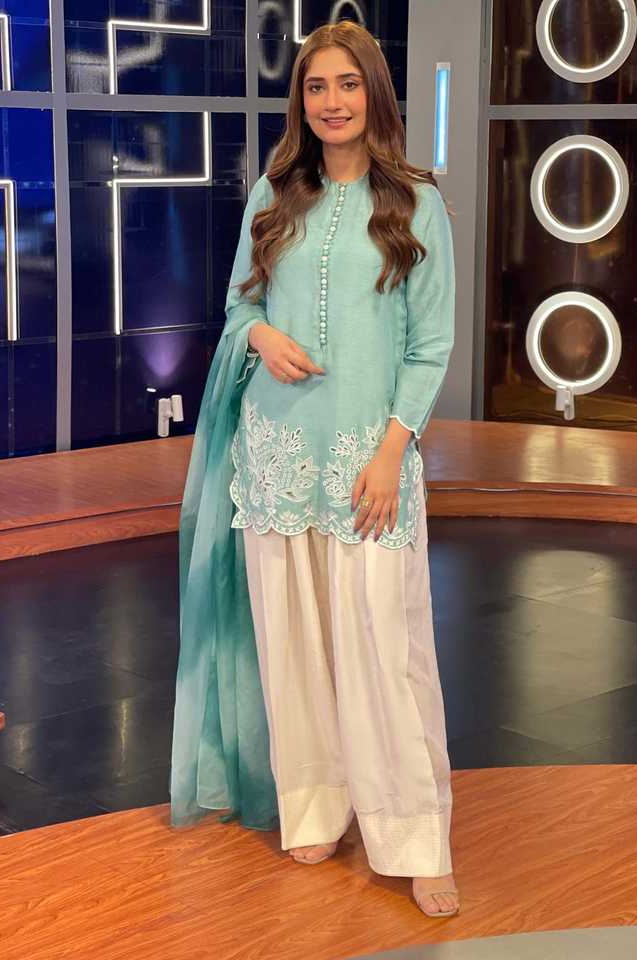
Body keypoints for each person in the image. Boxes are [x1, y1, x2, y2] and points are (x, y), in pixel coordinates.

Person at [170, 20, 459, 919]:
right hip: (277, 453)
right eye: (316, 86)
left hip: (368, 460)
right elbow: (237, 307)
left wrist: (392, 452)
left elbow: (432, 344)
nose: (332, 102)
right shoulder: (275, 194)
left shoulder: (415, 203)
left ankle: (416, 837)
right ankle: (315, 805)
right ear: (301, 100)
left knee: (387, 649)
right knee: (293, 642)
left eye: (348, 83)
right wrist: (259, 332)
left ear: (375, 92)